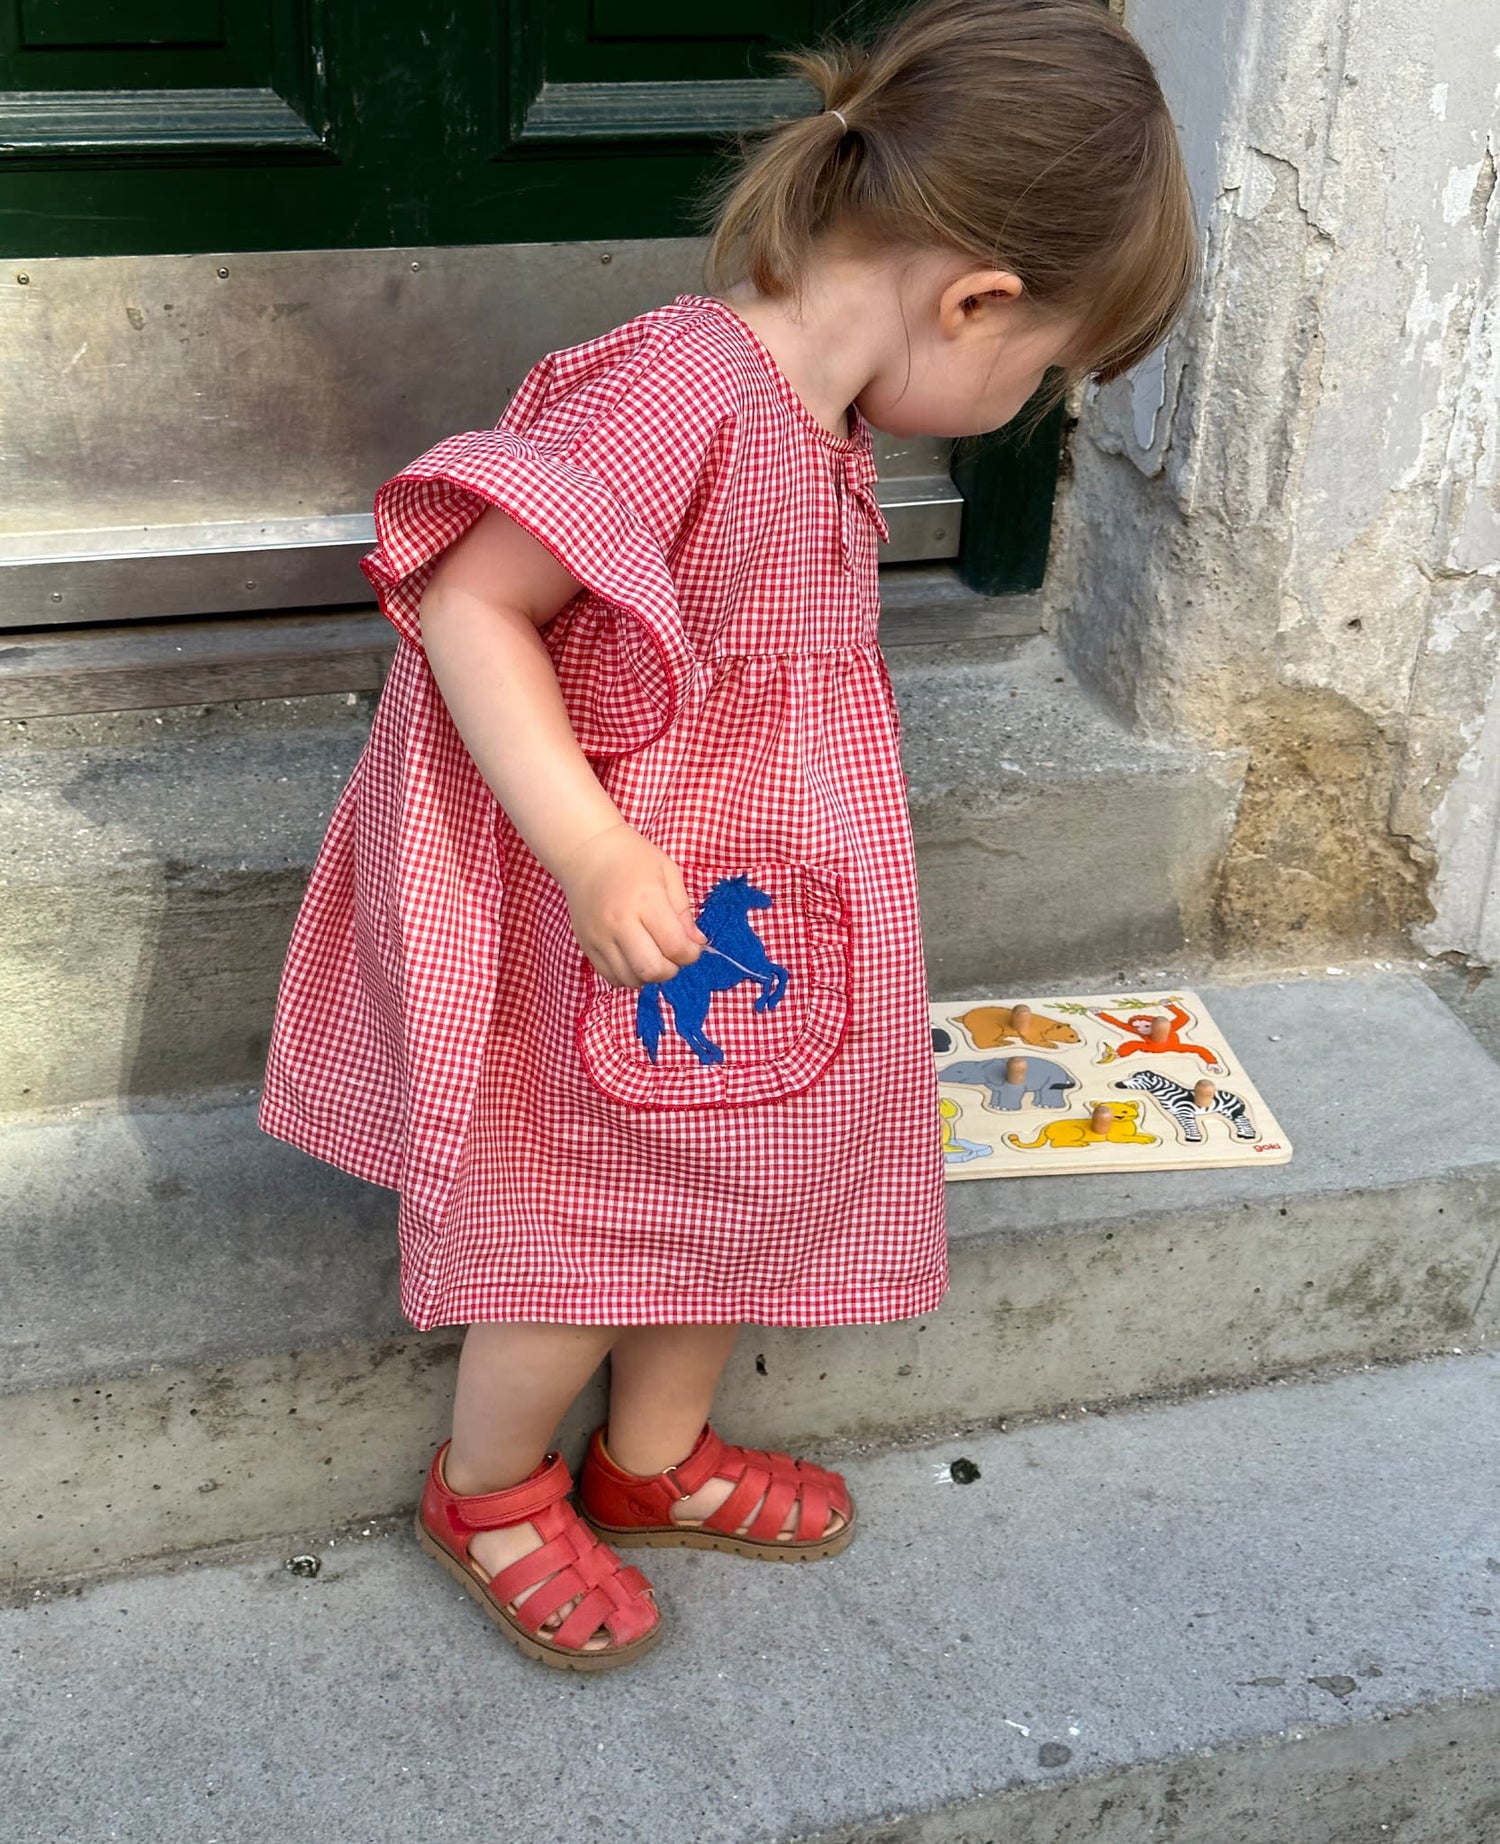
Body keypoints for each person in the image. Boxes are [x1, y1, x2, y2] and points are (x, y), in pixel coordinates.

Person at [260, 0, 1198, 1671]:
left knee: (741, 1183)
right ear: (976, 299)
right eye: (1043, 370)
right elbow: (474, 601)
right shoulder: (686, 388)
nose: (1027, 400)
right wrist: (591, 850)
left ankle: (650, 1461)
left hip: (755, 934)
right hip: (629, 911)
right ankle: (488, 1489)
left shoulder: (821, 419)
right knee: (582, 1211)